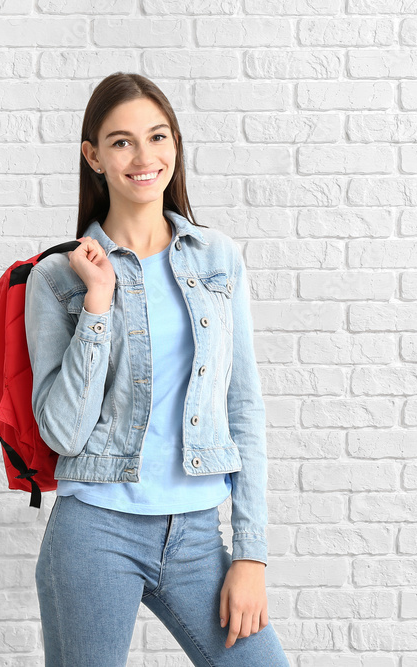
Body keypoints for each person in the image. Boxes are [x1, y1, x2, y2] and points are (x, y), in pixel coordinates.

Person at [23, 72, 290, 666]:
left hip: (197, 535)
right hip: (95, 530)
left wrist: (251, 553)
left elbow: (243, 408)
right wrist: (97, 304)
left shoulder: (217, 260)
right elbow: (63, 433)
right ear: (93, 156)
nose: (144, 157)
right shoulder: (56, 279)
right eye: (121, 142)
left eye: (158, 136)